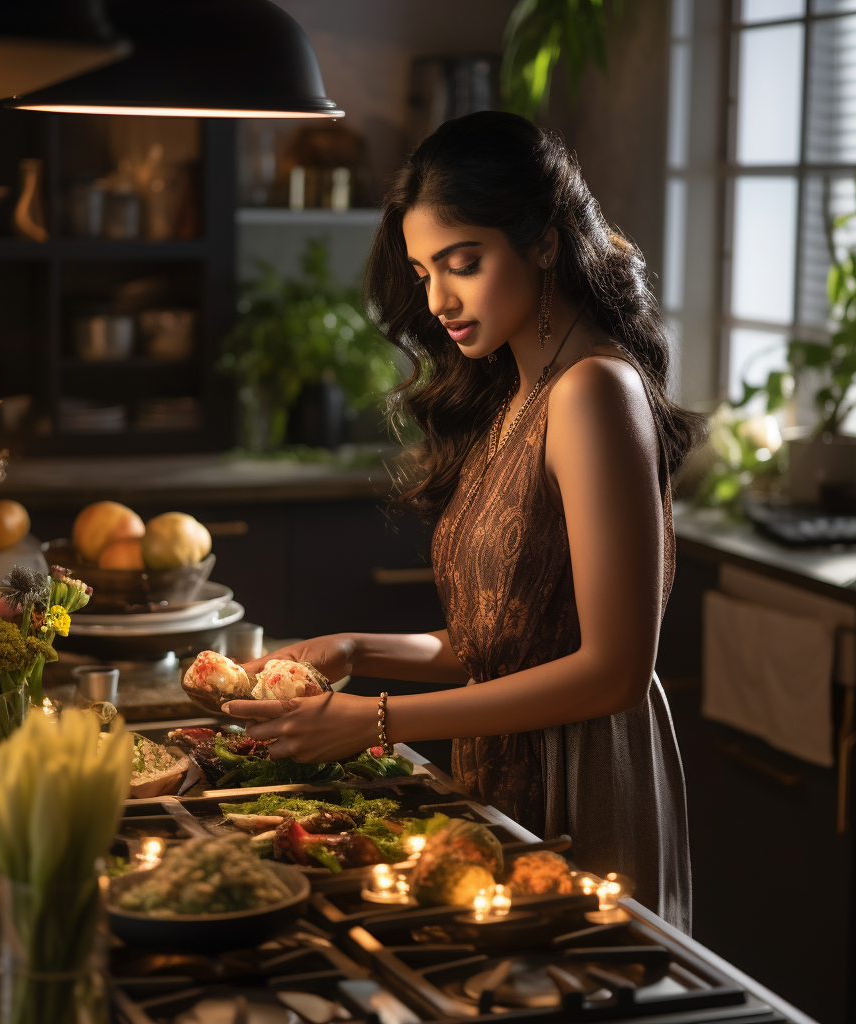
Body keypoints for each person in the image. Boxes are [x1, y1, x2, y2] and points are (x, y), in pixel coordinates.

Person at [222, 111, 703, 932]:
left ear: (545, 242)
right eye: (422, 272)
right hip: (506, 766)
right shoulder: (519, 396)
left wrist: (372, 721)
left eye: (463, 263)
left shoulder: (592, 393)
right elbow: (508, 644)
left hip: (582, 780)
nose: (438, 300)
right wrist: (357, 650)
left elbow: (616, 670)